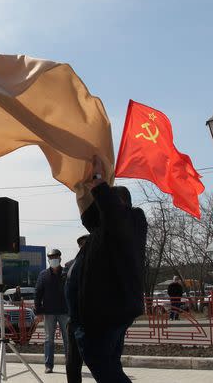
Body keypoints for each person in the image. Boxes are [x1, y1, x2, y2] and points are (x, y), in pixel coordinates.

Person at [69, 157, 148, 383]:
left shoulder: (131, 220)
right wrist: (83, 189)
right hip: (104, 313)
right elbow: (94, 218)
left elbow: (113, 214)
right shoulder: (106, 232)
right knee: (110, 366)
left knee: (104, 368)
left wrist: (100, 182)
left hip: (105, 314)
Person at [35, 248, 69, 374]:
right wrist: (38, 311)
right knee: (49, 340)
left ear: (60, 258)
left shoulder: (66, 273)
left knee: (68, 340)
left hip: (65, 312)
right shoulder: (43, 275)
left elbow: (72, 291)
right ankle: (48, 365)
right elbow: (38, 293)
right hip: (49, 312)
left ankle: (70, 364)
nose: (53, 259)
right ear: (48, 260)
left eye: (55, 257)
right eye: (51, 257)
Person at [64, 234, 88, 383]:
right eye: (82, 245)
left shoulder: (103, 264)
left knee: (101, 362)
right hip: (75, 319)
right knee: (73, 361)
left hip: (96, 319)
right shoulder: (70, 265)